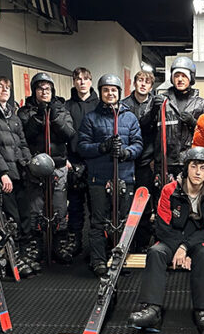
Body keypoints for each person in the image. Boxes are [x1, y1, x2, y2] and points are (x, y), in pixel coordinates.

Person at [127, 147, 204, 334]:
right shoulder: (169, 190)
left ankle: (203, 311)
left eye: (203, 168)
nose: (198, 172)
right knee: (156, 252)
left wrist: (185, 247)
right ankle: (152, 309)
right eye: (194, 166)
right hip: (170, 238)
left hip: (196, 241)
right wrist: (179, 247)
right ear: (186, 168)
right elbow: (161, 226)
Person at [76, 74, 143, 276]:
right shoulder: (91, 118)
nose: (110, 93)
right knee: (98, 220)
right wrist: (102, 147)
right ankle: (98, 260)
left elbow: (138, 144)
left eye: (113, 90)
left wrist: (126, 153)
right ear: (100, 92)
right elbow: (82, 147)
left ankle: (120, 258)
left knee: (123, 220)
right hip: (99, 178)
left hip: (125, 176)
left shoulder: (130, 118)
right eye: (106, 90)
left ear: (119, 93)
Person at [0, 75, 34, 276]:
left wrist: (28, 164)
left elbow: (22, 144)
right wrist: (2, 173)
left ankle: (24, 255)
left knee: (25, 216)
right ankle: (12, 258)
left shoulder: (13, 115)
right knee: (11, 219)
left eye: (7, 88)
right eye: (0, 87)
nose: (4, 90)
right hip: (4, 177)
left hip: (20, 173)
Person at [18, 73, 74, 270]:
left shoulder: (61, 109)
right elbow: (24, 135)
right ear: (34, 90)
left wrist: (55, 118)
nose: (44, 92)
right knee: (36, 207)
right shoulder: (25, 111)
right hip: (35, 166)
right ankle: (37, 247)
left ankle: (59, 244)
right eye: (40, 88)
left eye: (47, 88)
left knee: (59, 206)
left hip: (58, 164)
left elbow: (69, 134)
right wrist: (38, 118)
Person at [140, 56, 204, 184]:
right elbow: (144, 128)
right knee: (163, 196)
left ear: (191, 78)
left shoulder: (201, 104)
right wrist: (153, 111)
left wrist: (193, 123)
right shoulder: (160, 100)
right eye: (176, 76)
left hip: (190, 162)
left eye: (184, 76)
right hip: (164, 162)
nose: (180, 79)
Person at [63, 67, 99, 261]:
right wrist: (66, 159)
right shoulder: (66, 106)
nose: (82, 82)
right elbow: (61, 136)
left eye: (85, 79)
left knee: (96, 206)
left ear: (91, 81)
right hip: (73, 162)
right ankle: (75, 242)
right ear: (74, 82)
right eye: (78, 79)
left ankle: (96, 246)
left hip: (95, 162)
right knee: (75, 206)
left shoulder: (100, 105)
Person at [122, 67, 157, 248]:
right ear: (134, 83)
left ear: (151, 86)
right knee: (126, 203)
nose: (143, 85)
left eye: (147, 82)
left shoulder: (156, 104)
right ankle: (125, 242)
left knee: (144, 203)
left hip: (147, 160)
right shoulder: (124, 104)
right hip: (126, 159)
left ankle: (142, 243)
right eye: (140, 81)